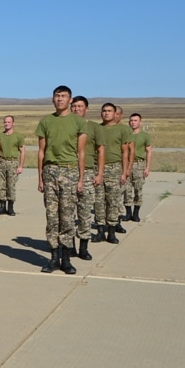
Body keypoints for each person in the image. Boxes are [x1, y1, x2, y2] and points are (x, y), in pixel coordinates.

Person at [36, 85, 87, 274]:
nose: (59, 99)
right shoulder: (46, 121)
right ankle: (53, 257)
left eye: (63, 96)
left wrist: (81, 179)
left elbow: (81, 152)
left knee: (67, 217)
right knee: (51, 216)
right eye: (57, 96)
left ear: (70, 100)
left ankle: (66, 259)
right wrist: (40, 177)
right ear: (52, 99)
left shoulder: (78, 122)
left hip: (70, 171)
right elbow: (41, 152)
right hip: (50, 172)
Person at [94, 102, 134, 244]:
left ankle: (111, 231)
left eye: (109, 111)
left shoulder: (122, 130)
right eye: (104, 111)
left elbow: (125, 152)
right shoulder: (96, 129)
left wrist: (124, 172)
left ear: (114, 113)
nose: (106, 113)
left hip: (114, 168)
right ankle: (100, 230)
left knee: (113, 201)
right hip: (98, 168)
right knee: (98, 202)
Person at [70, 97, 104, 261]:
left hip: (89, 172)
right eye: (74, 106)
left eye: (80, 106)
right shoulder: (66, 125)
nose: (76, 109)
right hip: (68, 171)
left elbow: (100, 151)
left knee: (84, 212)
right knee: (67, 212)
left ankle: (84, 246)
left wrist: (99, 174)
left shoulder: (94, 128)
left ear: (87, 109)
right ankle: (69, 246)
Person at [125, 112, 153, 222]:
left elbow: (149, 152)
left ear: (140, 122)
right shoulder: (126, 134)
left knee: (138, 189)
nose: (133, 122)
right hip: (127, 164)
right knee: (126, 189)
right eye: (131, 120)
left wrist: (147, 167)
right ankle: (128, 213)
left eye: (135, 120)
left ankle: (136, 213)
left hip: (139, 164)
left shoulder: (145, 136)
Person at [0, 115, 25, 216]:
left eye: (9, 122)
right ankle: (2, 206)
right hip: (1, 162)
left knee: (11, 186)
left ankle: (10, 207)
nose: (7, 124)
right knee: (1, 185)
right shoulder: (0, 136)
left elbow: (22, 151)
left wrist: (20, 166)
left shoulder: (18, 136)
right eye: (5, 122)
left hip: (12, 163)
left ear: (13, 123)